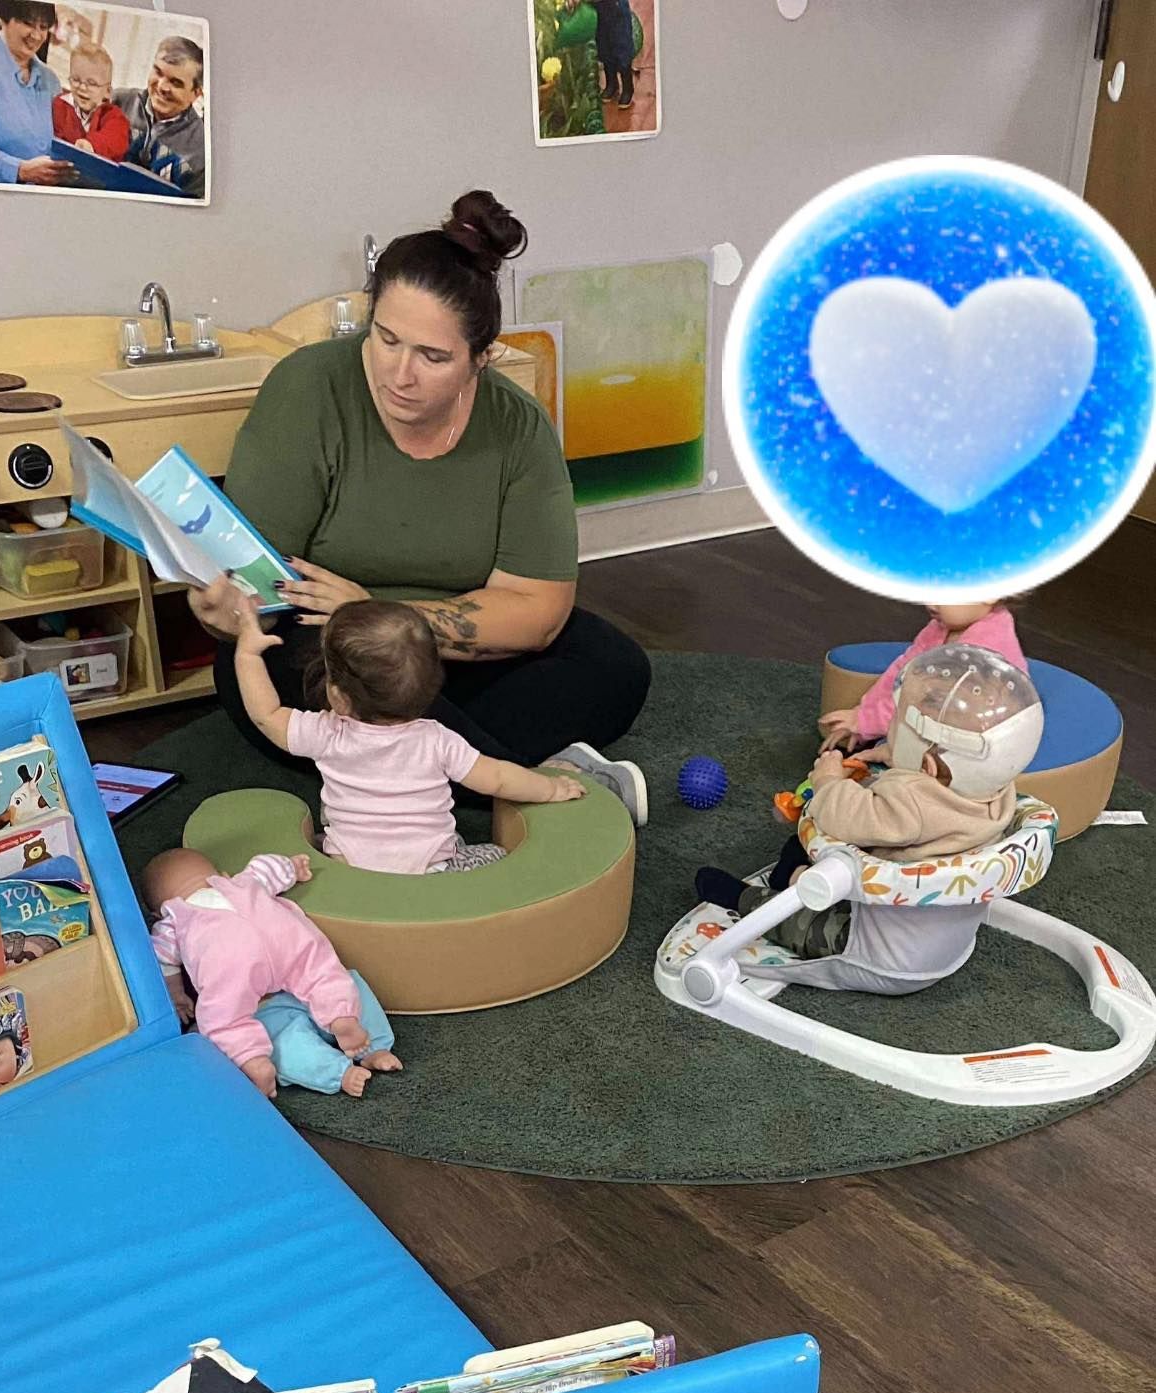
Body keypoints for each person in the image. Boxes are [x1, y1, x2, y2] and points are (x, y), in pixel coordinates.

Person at [194, 189, 652, 826]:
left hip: (441, 649)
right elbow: (260, 590)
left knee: (614, 666)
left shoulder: (516, 425)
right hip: (327, 645)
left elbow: (539, 612)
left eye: (433, 357)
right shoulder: (309, 388)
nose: (399, 375)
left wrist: (382, 612)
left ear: (481, 359)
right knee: (270, 669)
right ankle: (534, 790)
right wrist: (223, 611)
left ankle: (405, 769)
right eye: (385, 339)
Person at [693, 643, 1043, 996]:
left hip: (878, 954)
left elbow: (844, 818)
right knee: (798, 857)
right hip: (945, 943)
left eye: (898, 730)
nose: (889, 732)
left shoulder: (912, 805)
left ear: (926, 766)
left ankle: (745, 899)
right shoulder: (995, 795)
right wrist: (898, 756)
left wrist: (828, 780)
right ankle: (793, 874)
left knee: (800, 918)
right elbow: (936, 784)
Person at [235, 598, 587, 875]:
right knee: (496, 857)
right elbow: (497, 777)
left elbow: (266, 715)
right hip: (433, 869)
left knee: (313, 855)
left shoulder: (326, 733)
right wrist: (551, 788)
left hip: (350, 867)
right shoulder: (438, 740)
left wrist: (247, 654)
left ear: (339, 697)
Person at [143, 846, 400, 1100]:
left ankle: (257, 1061)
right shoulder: (246, 880)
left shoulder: (173, 920)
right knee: (334, 979)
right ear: (221, 874)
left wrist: (177, 994)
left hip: (247, 984)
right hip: (287, 947)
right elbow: (271, 867)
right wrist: (294, 867)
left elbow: (164, 961)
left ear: (158, 911)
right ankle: (362, 1036)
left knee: (231, 1023)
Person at [819, 599, 1027, 752]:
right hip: (944, 720)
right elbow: (905, 669)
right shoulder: (941, 627)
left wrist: (868, 722)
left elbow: (928, 701)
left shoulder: (984, 648)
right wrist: (864, 712)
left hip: (979, 739)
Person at [0, 0, 72, 188]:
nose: (37, 35)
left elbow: (61, 140)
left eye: (44, 27)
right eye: (28, 23)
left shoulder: (51, 80)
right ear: (3, 18)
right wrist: (19, 170)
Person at [114, 37, 207, 199]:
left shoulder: (203, 148)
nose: (162, 87)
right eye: (158, 72)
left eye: (176, 83)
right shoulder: (115, 102)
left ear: (196, 93)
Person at [51, 41, 130, 160]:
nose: (82, 88)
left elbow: (116, 140)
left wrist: (91, 145)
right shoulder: (59, 105)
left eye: (92, 84)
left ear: (107, 91)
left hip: (96, 174)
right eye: (76, 80)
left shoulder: (114, 117)